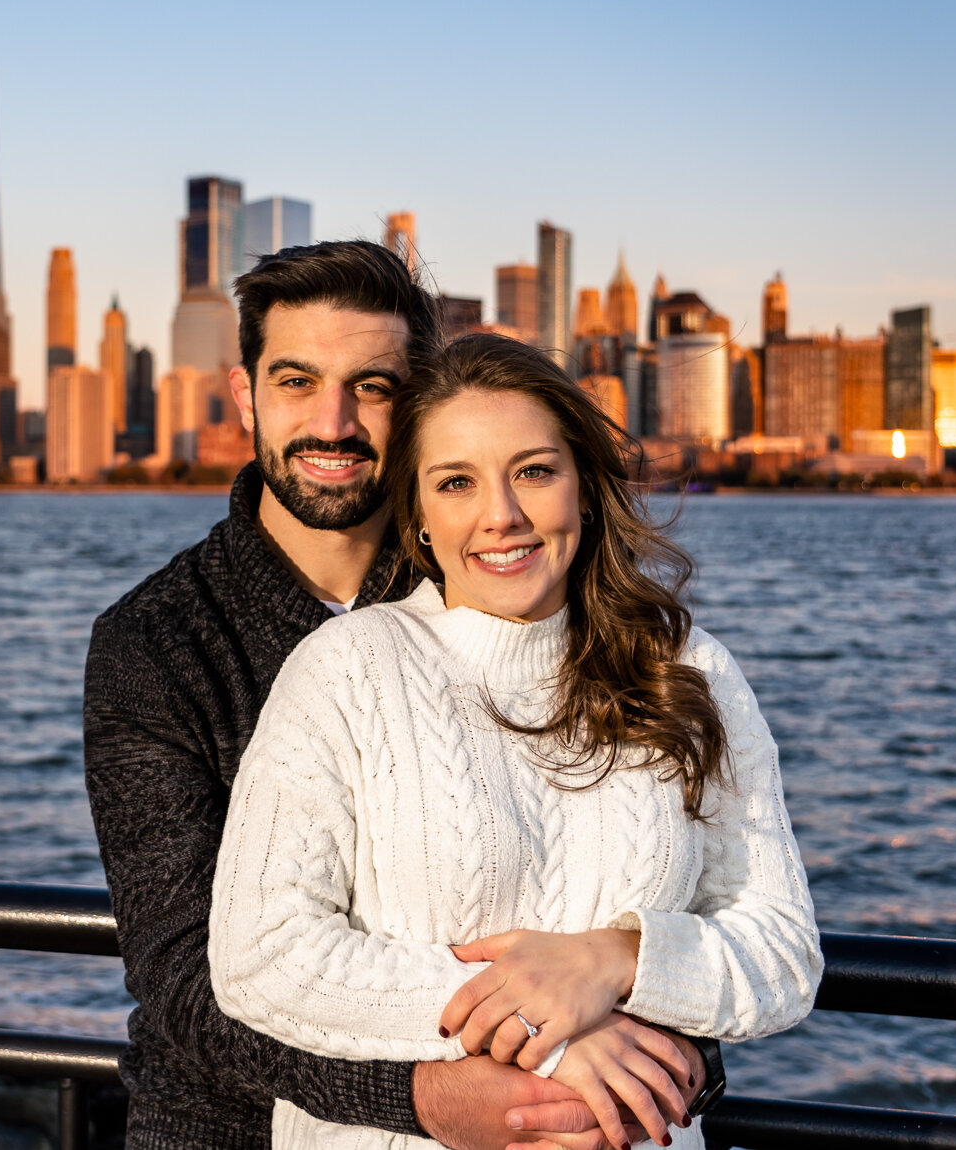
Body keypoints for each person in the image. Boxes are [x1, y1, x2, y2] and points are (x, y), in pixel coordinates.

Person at [84, 245, 712, 1150]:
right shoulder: (156, 642)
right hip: (227, 1131)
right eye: (296, 381)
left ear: (417, 404)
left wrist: (660, 1040)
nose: (331, 423)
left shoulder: (515, 595)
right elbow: (191, 979)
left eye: (372, 387)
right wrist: (441, 1092)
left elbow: (657, 882)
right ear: (245, 395)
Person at [208, 333, 822, 1150]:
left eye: (534, 471)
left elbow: (782, 957)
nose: (500, 515)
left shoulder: (687, 668)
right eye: (455, 482)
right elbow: (261, 954)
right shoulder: (346, 669)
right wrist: (549, 1027)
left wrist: (616, 960)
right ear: (419, 517)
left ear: (584, 488)